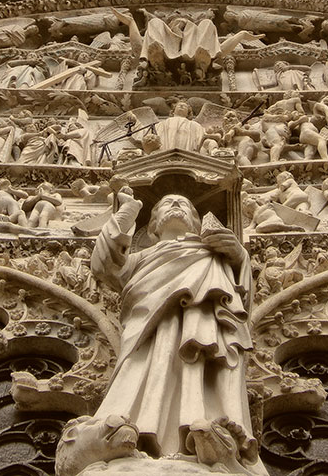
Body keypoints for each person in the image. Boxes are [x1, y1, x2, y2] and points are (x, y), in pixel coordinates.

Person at [83, 189, 264, 474]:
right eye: (167, 203)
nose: (176, 203)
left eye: (185, 203)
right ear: (153, 225)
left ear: (196, 221)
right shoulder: (141, 258)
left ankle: (206, 435)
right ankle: (141, 439)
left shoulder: (213, 256)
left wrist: (239, 256)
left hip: (204, 332)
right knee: (150, 373)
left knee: (198, 371)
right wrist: (128, 210)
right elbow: (104, 264)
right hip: (150, 336)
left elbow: (240, 304)